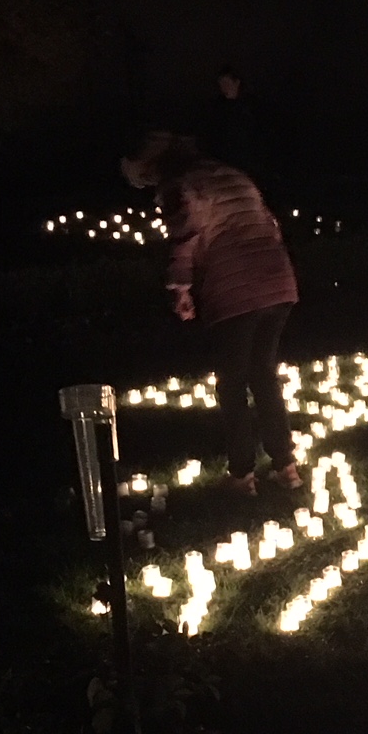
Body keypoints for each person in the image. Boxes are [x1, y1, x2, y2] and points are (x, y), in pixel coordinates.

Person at [122, 131, 302, 493]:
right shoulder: (232, 174)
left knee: (232, 382)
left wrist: (181, 289)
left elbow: (184, 238)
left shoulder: (180, 187)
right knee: (263, 374)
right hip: (277, 279)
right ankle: (286, 467)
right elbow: (270, 224)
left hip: (235, 285)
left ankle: (242, 474)